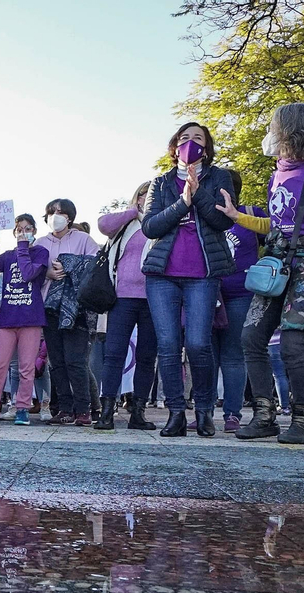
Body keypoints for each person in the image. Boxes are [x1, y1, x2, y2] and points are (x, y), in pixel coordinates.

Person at [220, 102, 304, 444]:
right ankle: (264, 415)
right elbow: (277, 225)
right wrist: (238, 217)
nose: (271, 134)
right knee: (251, 337)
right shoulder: (276, 173)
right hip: (277, 263)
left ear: (292, 130)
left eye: (274, 127)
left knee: (293, 344)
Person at [141, 123, 238, 437]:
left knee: (198, 344)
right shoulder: (160, 182)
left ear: (207, 148)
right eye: (185, 138)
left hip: (203, 274)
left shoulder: (219, 177)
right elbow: (150, 226)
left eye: (198, 139)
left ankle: (205, 410)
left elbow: (223, 219)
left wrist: (198, 196)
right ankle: (175, 413)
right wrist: (181, 202)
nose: (191, 143)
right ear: (174, 147)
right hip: (162, 275)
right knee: (168, 346)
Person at [0, 215, 50, 425]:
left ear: (34, 231)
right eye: (19, 229)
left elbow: (27, 274)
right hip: (7, 319)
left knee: (26, 367)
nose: (23, 232)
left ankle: (23, 408)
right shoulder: (8, 256)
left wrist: (23, 246)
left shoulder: (41, 253)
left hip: (30, 319)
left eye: (27, 229)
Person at [95, 183, 158, 430]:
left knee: (147, 356)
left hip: (154, 299)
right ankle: (107, 411)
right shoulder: (126, 223)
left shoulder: (164, 220)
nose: (148, 197)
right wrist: (133, 211)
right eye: (145, 193)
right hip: (122, 298)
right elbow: (103, 224)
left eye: (153, 193)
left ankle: (138, 412)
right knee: (114, 355)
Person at [37, 198, 102, 426]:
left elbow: (96, 263)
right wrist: (48, 274)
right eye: (52, 212)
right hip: (49, 308)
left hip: (77, 310)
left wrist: (70, 265)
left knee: (76, 361)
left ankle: (83, 410)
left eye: (61, 212)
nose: (56, 216)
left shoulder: (83, 239)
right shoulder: (40, 242)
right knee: (57, 361)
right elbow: (30, 270)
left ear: (70, 217)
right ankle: (64, 409)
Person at [215, 169, 265, 432]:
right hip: (208, 292)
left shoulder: (253, 213)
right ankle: (202, 409)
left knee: (233, 355)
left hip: (241, 293)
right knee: (205, 353)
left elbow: (276, 241)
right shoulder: (205, 213)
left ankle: (232, 413)